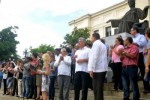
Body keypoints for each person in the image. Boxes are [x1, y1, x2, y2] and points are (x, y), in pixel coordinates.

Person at [88, 33, 108, 100]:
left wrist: (91, 68)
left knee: (97, 89)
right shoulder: (103, 45)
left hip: (98, 69)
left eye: (91, 37)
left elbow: (94, 57)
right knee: (99, 89)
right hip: (102, 69)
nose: (91, 39)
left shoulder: (96, 44)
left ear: (94, 37)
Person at [130, 26, 150, 93]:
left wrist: (132, 44)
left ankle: (146, 88)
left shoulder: (141, 36)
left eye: (131, 30)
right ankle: (134, 88)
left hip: (141, 55)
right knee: (133, 72)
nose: (130, 32)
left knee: (143, 71)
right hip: (134, 56)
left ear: (135, 30)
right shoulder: (132, 38)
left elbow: (142, 44)